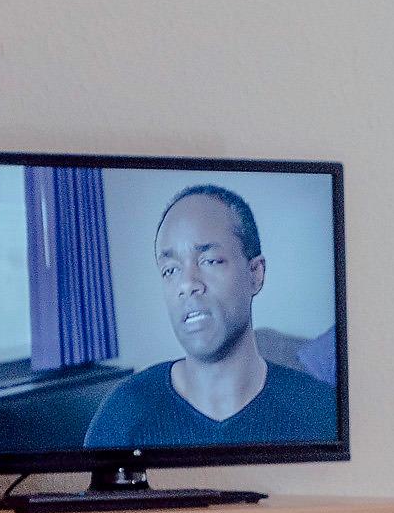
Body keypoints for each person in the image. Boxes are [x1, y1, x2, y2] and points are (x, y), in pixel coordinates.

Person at [83, 186, 337, 447]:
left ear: (255, 274)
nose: (187, 284)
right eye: (170, 270)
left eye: (210, 260)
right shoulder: (122, 417)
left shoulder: (322, 412)